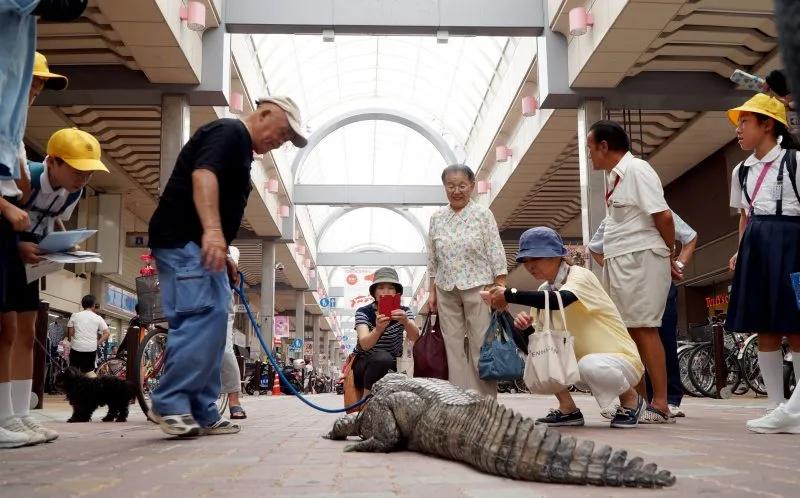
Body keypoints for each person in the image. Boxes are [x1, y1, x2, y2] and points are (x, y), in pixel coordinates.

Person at [147, 95, 307, 437]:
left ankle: (202, 408)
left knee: (216, 324)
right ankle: (171, 402)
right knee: (199, 319)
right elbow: (203, 175)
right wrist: (213, 231)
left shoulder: (242, 150)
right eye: (282, 133)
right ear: (265, 113)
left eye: (286, 140)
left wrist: (227, 259)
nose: (280, 142)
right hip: (184, 240)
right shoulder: (230, 132)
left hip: (202, 248)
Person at [489, 227, 645, 428]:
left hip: (619, 361)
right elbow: (534, 345)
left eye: (536, 258)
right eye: (525, 260)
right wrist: (520, 324)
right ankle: (568, 409)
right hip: (577, 368)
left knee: (590, 364)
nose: (530, 265)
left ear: (556, 256)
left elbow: (561, 300)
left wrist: (509, 294)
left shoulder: (580, 275)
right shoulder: (544, 291)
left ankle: (631, 399)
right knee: (542, 353)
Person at [1, 54, 74, 448]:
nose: (36, 89)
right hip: (10, 240)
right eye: (32, 79)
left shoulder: (15, 121)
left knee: (20, 331)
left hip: (19, 248)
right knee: (7, 329)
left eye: (42, 83)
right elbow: (19, 192)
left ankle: (15, 414)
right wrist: (8, 208)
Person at [719, 94, 800, 433]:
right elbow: (745, 215)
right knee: (764, 326)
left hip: (793, 244)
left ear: (767, 125)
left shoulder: (795, 160)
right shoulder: (741, 171)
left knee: (796, 325)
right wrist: (741, 251)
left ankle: (795, 411)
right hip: (757, 248)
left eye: (745, 122)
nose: (738, 130)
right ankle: (775, 406)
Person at [586, 120, 676, 424]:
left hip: (642, 257)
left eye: (590, 148)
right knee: (627, 332)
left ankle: (661, 404)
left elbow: (663, 216)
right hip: (621, 259)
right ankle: (638, 401)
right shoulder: (614, 177)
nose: (589, 155)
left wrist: (667, 252)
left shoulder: (637, 169)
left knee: (645, 328)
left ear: (604, 146)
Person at [589, 211, 697, 418]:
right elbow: (594, 248)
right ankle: (639, 401)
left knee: (662, 336)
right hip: (628, 283)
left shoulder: (657, 209)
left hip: (656, 279)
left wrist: (677, 264)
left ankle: (669, 399)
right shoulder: (611, 218)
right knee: (632, 340)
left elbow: (689, 236)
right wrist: (613, 268)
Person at [427, 164, 508, 397]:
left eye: (462, 185)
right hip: (446, 287)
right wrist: (431, 291)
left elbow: (495, 249)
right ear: (444, 187)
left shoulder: (483, 214)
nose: (456, 191)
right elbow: (432, 257)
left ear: (472, 186)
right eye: (450, 186)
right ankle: (458, 399)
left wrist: (500, 285)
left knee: (480, 342)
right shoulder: (437, 218)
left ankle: (484, 400)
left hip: (479, 286)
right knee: (452, 345)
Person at [353, 267, 420, 394]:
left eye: (391, 288)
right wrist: (378, 330)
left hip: (394, 365)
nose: (386, 292)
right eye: (381, 287)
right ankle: (366, 399)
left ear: (396, 292)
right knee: (383, 358)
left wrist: (406, 322)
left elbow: (415, 336)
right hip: (365, 366)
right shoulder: (364, 312)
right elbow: (365, 344)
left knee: (387, 360)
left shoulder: (404, 312)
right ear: (374, 292)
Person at [221, 246, 245, 419]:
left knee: (224, 349)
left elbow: (234, 277)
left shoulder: (230, 249)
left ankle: (234, 400)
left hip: (219, 299)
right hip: (190, 297)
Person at [66, 295, 110, 374]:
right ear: (93, 305)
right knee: (88, 371)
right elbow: (107, 333)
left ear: (82, 304)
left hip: (76, 347)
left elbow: (71, 333)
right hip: (90, 348)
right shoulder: (98, 318)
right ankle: (93, 381)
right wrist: (97, 343)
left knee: (73, 371)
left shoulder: (75, 315)